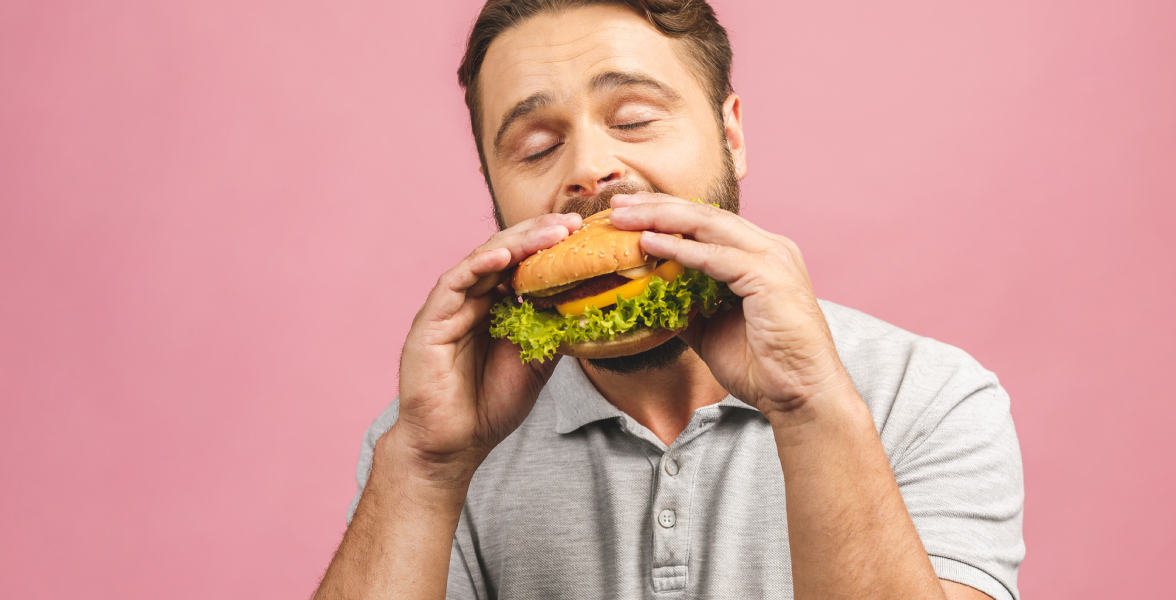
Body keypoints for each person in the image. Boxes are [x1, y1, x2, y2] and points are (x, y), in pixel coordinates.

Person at [314, 1, 1024, 598]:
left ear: (731, 133)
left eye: (633, 118)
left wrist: (810, 405)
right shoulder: (430, 438)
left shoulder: (928, 396)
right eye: (534, 147)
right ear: (493, 187)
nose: (590, 168)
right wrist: (425, 468)